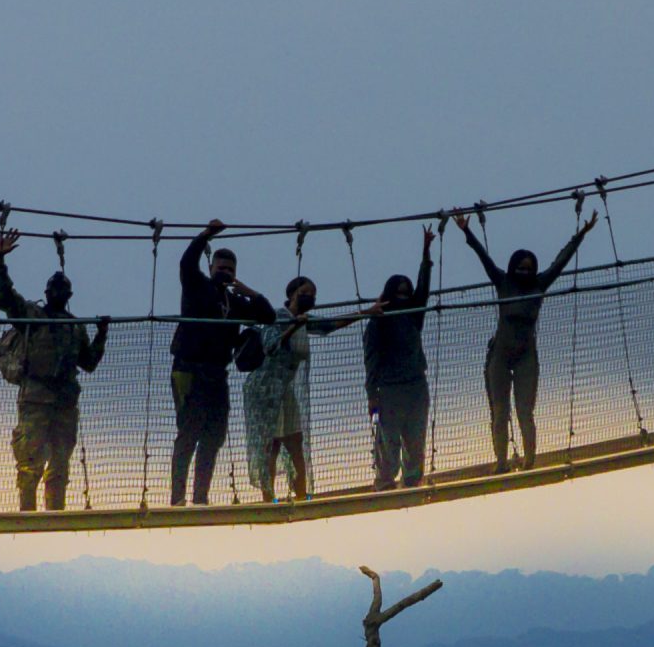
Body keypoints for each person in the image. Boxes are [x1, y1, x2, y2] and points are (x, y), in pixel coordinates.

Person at [451, 204, 601, 472]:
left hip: (526, 357)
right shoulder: (502, 281)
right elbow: (483, 258)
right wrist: (467, 232)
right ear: (513, 267)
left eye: (529, 267)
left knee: (524, 411)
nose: (524, 271)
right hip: (499, 354)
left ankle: (529, 461)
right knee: (499, 411)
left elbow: (561, 261)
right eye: (520, 266)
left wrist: (583, 234)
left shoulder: (539, 284)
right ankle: (501, 462)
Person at [0, 229, 110, 512]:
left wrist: (101, 334)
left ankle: (55, 515)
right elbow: (5, 297)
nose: (57, 294)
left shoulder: (74, 325)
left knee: (59, 466)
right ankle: (27, 514)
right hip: (35, 399)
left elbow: (88, 363)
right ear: (47, 294)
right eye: (53, 290)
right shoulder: (32, 316)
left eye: (62, 291)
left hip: (65, 403)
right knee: (29, 464)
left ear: (68, 295)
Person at [168, 219, 274, 507]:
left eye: (230, 270)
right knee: (188, 434)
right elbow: (187, 263)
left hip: (217, 374)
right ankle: (177, 498)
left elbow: (268, 316)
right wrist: (205, 235)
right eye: (220, 268)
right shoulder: (196, 286)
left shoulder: (235, 301)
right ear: (211, 267)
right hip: (188, 369)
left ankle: (200, 497)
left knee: (214, 437)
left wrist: (244, 289)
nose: (224, 273)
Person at [242, 274, 358, 502]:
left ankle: (302, 492)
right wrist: (294, 328)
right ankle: (269, 497)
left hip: (284, 390)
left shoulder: (303, 319)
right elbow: (271, 346)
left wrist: (365, 312)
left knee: (295, 441)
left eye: (313, 295)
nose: (309, 298)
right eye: (304, 294)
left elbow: (330, 325)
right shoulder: (277, 317)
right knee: (271, 443)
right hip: (265, 391)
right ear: (292, 295)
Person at [361, 226, 435, 490]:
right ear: (390, 294)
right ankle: (384, 482)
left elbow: (424, 290)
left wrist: (426, 254)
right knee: (388, 440)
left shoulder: (415, 314)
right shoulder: (378, 321)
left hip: (416, 385)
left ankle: (413, 479)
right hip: (389, 389)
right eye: (399, 292)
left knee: (416, 437)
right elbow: (371, 360)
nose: (404, 296)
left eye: (407, 292)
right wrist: (372, 394)